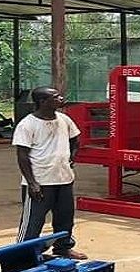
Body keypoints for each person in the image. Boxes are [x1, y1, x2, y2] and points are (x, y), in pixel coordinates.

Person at [13, 86, 86, 259]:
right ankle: (24, 254)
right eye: (56, 97)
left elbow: (75, 139)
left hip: (64, 179)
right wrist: (32, 183)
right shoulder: (27, 124)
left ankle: (63, 248)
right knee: (33, 221)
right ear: (42, 102)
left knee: (65, 218)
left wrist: (71, 157)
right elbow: (22, 155)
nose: (61, 98)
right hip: (40, 182)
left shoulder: (64, 120)